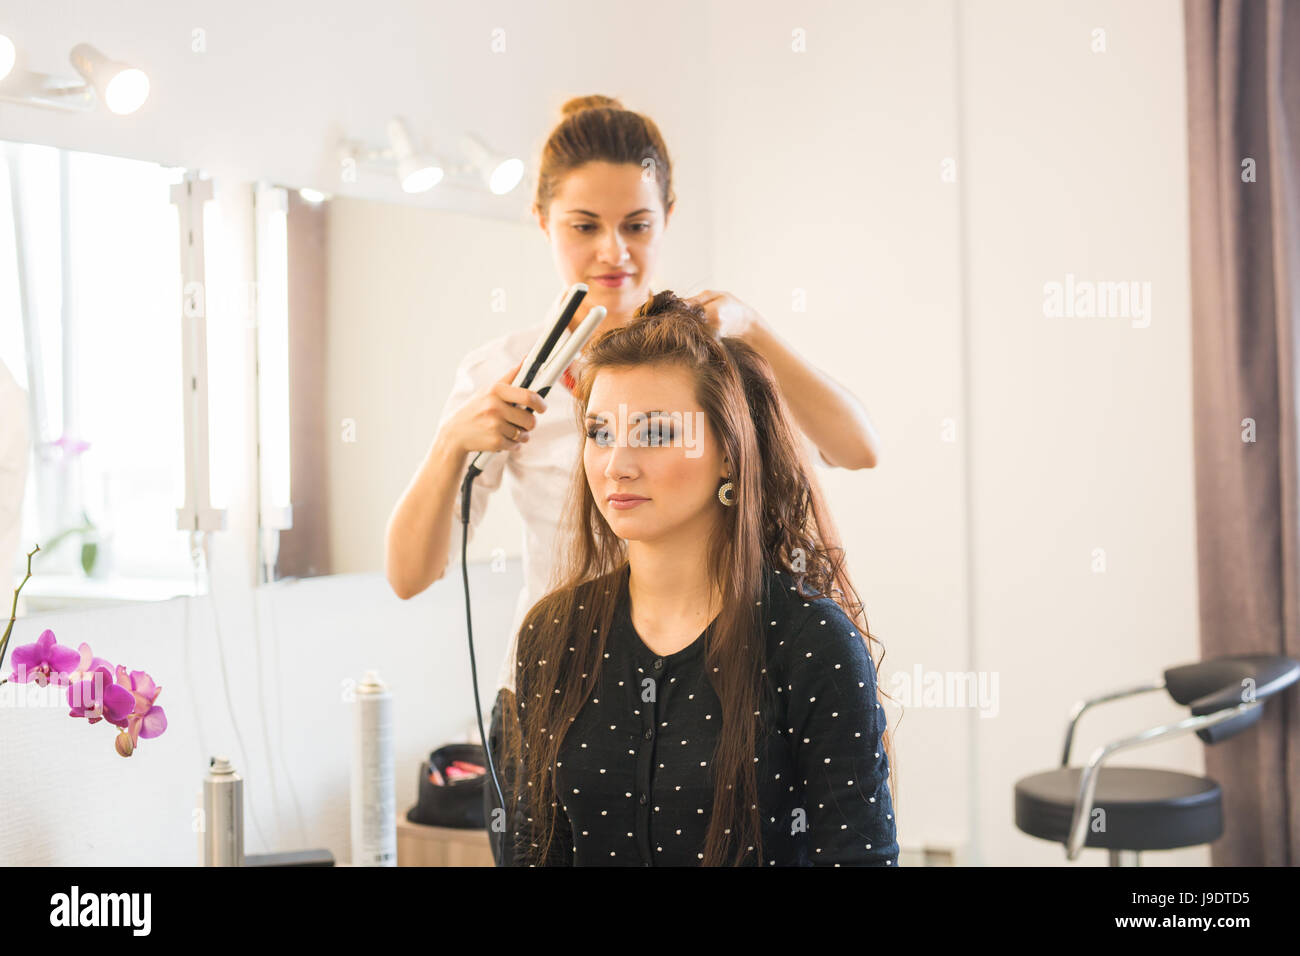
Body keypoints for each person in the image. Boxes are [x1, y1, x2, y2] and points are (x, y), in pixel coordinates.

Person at [383, 95, 883, 865]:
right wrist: (454, 442)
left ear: (667, 217)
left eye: (637, 225)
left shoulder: (713, 364)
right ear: (543, 218)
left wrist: (752, 332)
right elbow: (411, 574)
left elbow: (857, 447)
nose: (612, 250)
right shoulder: (506, 376)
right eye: (584, 225)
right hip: (569, 686)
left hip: (720, 679)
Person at [504, 290, 897, 866]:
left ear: (730, 453)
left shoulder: (811, 643)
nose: (617, 464)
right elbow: (536, 851)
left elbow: (859, 857)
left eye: (656, 433)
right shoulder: (553, 633)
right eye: (599, 432)